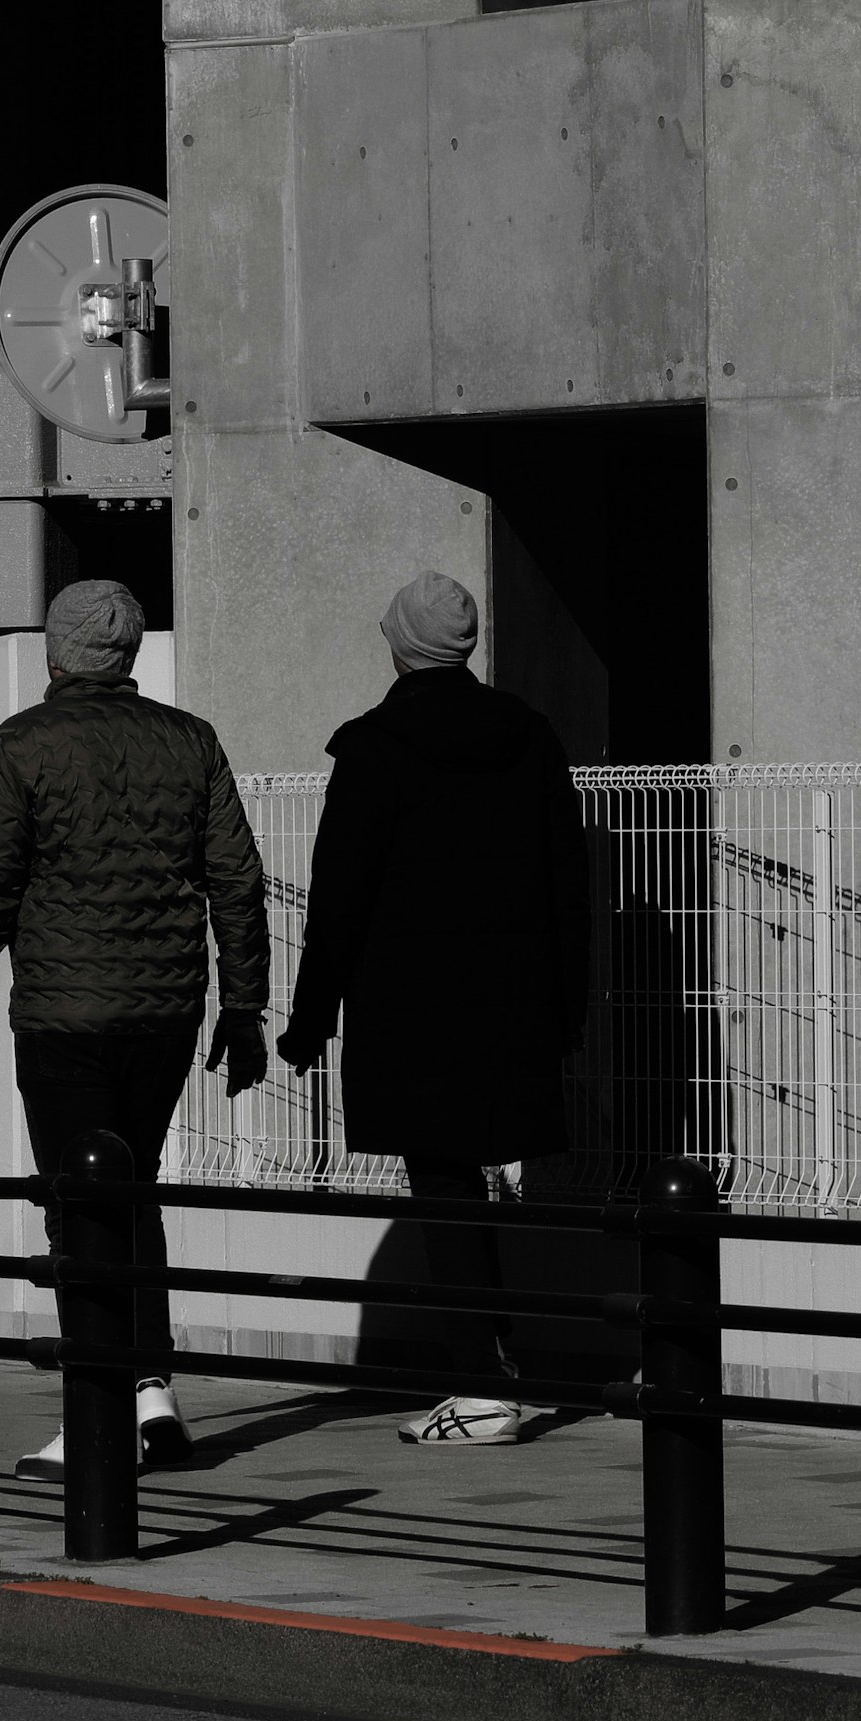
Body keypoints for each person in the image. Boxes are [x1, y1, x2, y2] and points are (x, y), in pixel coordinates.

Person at [0, 579, 270, 1481]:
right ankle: (152, 1395)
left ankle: (97, 1408)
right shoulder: (189, 742)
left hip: (64, 1014)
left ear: (56, 653)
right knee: (132, 1193)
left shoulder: (24, 745)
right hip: (166, 1013)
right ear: (129, 652)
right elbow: (236, 881)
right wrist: (243, 1010)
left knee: (79, 1208)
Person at [277, 571, 589, 1447]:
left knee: (444, 1186)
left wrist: (309, 1021)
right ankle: (491, 1366)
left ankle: (480, 1385)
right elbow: (570, 882)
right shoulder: (530, 736)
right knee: (474, 1183)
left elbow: (341, 896)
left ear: (403, 641)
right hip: (514, 1000)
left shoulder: (377, 747)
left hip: (413, 1008)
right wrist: (571, 1006)